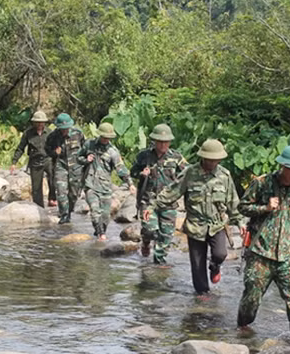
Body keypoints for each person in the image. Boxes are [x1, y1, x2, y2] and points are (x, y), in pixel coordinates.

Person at [145, 139, 244, 295]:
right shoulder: (190, 173)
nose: (213, 162)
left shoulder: (224, 175)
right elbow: (172, 191)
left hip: (216, 224)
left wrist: (240, 222)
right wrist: (152, 206)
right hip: (195, 225)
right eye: (210, 159)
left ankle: (215, 266)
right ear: (203, 157)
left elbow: (233, 200)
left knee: (220, 254)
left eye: (216, 160)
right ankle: (202, 294)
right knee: (197, 265)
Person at [237, 145, 290, 342]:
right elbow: (242, 207)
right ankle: (243, 328)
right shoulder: (261, 183)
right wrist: (264, 208)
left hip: (287, 255)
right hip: (261, 252)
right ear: (282, 166)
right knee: (252, 296)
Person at [130, 124, 188, 264]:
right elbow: (132, 172)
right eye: (160, 141)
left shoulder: (176, 157)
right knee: (150, 230)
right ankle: (146, 242)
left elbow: (187, 174)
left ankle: (159, 261)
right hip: (148, 200)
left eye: (166, 141)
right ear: (155, 141)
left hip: (169, 202)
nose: (163, 144)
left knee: (166, 235)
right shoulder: (144, 156)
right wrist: (141, 174)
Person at [76, 122, 135, 240]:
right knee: (95, 211)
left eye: (108, 138)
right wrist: (86, 160)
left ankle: (100, 231)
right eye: (104, 137)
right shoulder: (89, 145)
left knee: (105, 215)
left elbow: (120, 168)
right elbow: (78, 157)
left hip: (105, 187)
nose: (105, 140)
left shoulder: (113, 151)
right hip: (90, 184)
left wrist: (130, 184)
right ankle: (100, 235)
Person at [10, 110, 57, 208]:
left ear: (44, 122)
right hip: (35, 161)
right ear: (34, 122)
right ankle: (39, 207)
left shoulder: (50, 133)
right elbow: (20, 148)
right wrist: (14, 162)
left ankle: (52, 198)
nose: (40, 124)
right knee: (36, 187)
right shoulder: (28, 133)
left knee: (54, 179)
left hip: (48, 159)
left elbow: (56, 147)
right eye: (37, 122)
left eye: (42, 122)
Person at [46, 113, 85, 224]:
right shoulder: (53, 136)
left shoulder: (78, 134)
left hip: (76, 166)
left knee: (74, 193)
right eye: (62, 129)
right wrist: (54, 152)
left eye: (66, 128)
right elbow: (47, 150)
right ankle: (64, 214)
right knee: (61, 190)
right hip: (60, 165)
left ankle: (69, 209)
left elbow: (85, 147)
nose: (64, 131)